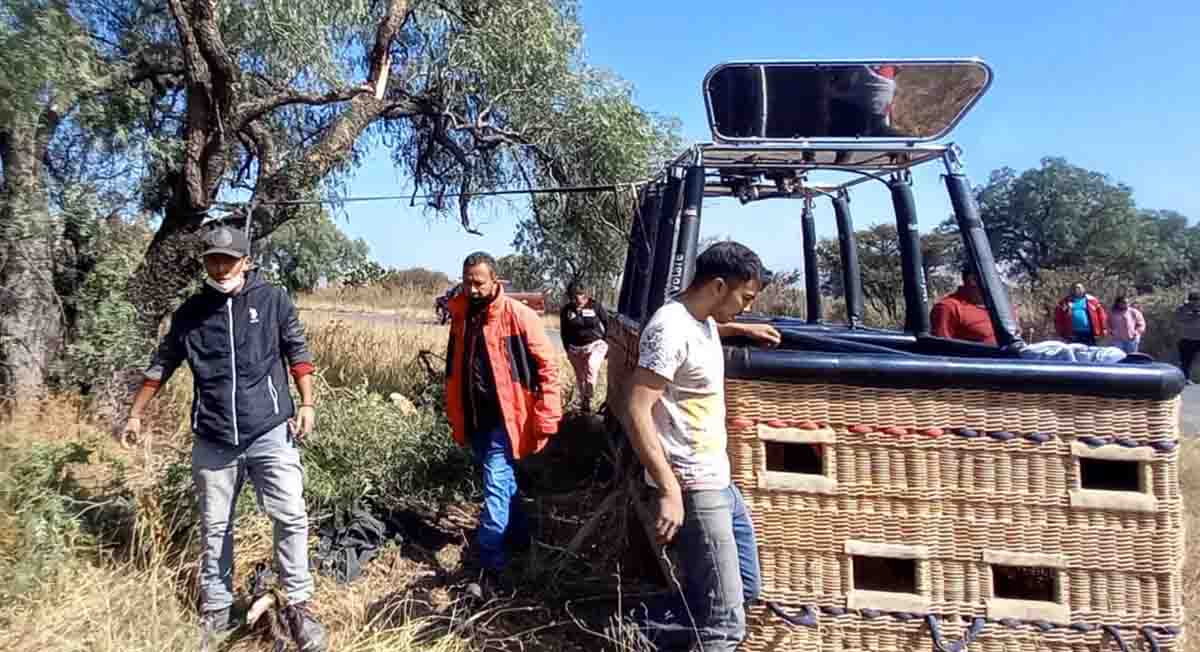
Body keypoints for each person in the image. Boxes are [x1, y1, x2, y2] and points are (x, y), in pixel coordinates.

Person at [121, 224, 325, 651]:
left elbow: (298, 354)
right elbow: (162, 365)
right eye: (213, 260)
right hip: (213, 437)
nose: (220, 267)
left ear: (245, 262)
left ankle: (299, 605)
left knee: (291, 516)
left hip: (270, 429)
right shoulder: (191, 312)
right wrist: (136, 414)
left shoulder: (272, 300)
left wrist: (306, 404)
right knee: (216, 527)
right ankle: (216, 610)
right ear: (205, 264)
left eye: (228, 260)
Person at [626, 241, 782, 651]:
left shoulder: (703, 321)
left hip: (721, 483)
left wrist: (741, 329)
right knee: (724, 626)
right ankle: (636, 630)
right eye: (744, 298)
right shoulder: (669, 328)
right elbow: (637, 408)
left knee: (744, 587)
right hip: (694, 486)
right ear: (717, 286)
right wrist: (669, 489)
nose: (747, 307)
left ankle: (638, 633)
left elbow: (705, 331)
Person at [444, 252, 562, 588]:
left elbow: (547, 368)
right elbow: (455, 368)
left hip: (507, 419)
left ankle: (488, 564)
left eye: (479, 282)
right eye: (468, 281)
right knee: (504, 482)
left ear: (495, 280)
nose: (473, 287)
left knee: (494, 482)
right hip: (475, 417)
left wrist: (548, 414)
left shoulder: (518, 316)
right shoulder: (462, 315)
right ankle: (522, 538)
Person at [929, 263, 1019, 345]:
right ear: (973, 280)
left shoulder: (1006, 308)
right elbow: (941, 352)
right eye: (996, 283)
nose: (1000, 288)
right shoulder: (948, 307)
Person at [560, 280, 609, 413]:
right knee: (581, 377)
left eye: (581, 294)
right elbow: (563, 332)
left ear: (585, 294)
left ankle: (589, 396)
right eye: (574, 295)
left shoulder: (595, 306)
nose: (578, 298)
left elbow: (607, 323)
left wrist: (606, 342)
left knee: (591, 367)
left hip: (595, 345)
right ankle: (585, 403)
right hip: (575, 349)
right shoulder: (566, 310)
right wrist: (567, 349)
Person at [1176, 292, 1200, 383]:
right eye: (1193, 301)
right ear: (1189, 301)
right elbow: (1180, 320)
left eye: (1197, 301)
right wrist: (1194, 316)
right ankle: (1185, 378)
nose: (1195, 303)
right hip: (1187, 338)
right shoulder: (1182, 309)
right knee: (1186, 361)